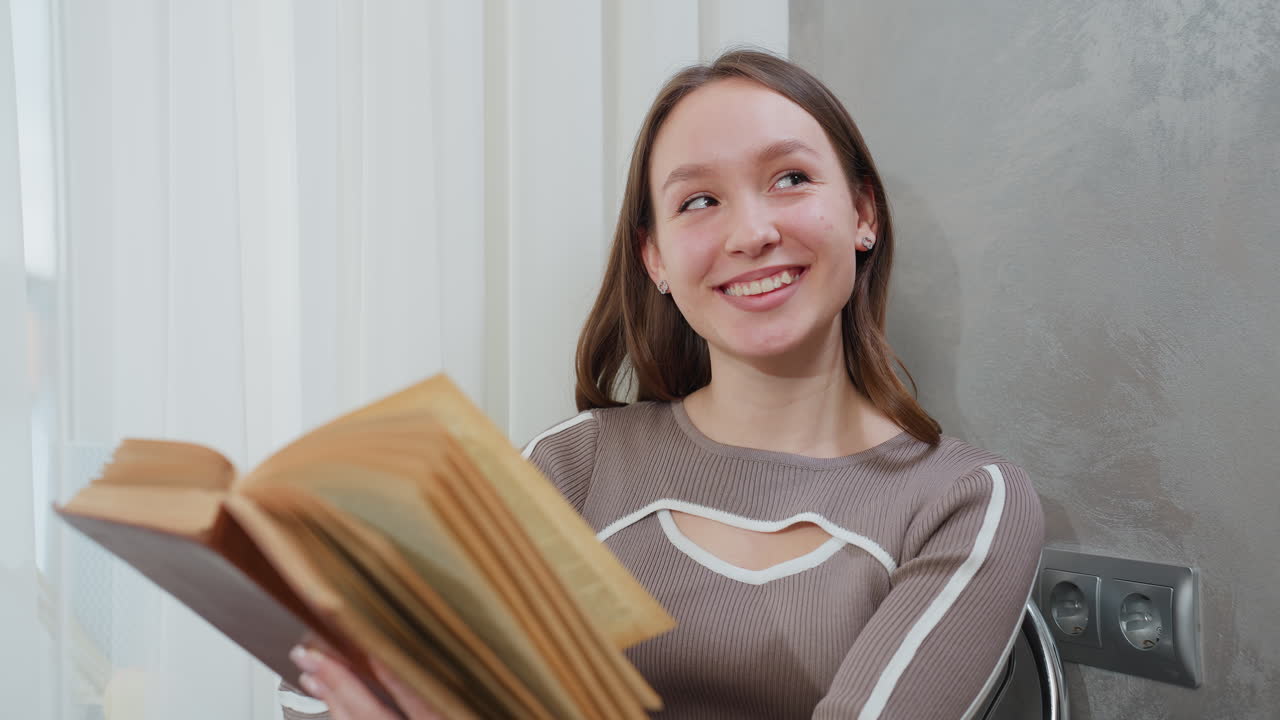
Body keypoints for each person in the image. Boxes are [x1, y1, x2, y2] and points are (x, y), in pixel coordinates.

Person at [287, 48, 1044, 720]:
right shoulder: (573, 468)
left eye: (790, 178)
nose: (751, 234)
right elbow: (314, 694)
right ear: (655, 258)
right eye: (699, 201)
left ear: (862, 213)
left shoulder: (967, 501)